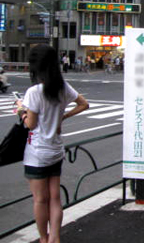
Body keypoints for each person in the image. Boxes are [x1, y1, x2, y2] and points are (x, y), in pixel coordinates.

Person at [16, 44, 89, 243]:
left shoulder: (34, 92)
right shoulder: (63, 87)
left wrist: (21, 110)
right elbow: (84, 104)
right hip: (56, 150)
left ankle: (43, 239)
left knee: (40, 199)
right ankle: (55, 238)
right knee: (55, 197)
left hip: (37, 153)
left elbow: (30, 124)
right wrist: (63, 117)